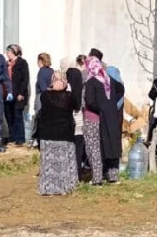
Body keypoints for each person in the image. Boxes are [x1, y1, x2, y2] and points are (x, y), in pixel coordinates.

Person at [35, 71, 78, 195]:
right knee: (63, 162)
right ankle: (65, 187)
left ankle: (48, 188)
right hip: (64, 134)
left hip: (48, 134)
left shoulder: (45, 95)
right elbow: (75, 106)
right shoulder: (69, 97)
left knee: (49, 163)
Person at [82, 56, 124, 184]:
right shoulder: (108, 79)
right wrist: (110, 104)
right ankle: (113, 176)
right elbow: (121, 89)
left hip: (94, 119)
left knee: (94, 148)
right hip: (109, 118)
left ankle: (97, 178)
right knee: (110, 146)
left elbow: (90, 101)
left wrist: (101, 108)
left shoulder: (91, 82)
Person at [5, 44, 30, 146]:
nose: (7, 54)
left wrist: (21, 93)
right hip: (8, 94)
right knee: (9, 116)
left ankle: (20, 138)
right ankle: (12, 137)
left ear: (14, 52)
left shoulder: (22, 62)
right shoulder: (7, 63)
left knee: (17, 116)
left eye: (9, 52)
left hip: (19, 94)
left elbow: (25, 79)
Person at [30, 53, 54, 147]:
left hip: (41, 97)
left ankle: (35, 139)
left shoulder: (41, 72)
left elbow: (43, 87)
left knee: (38, 118)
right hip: (51, 97)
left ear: (40, 61)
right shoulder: (52, 71)